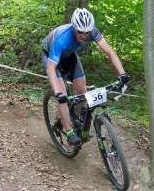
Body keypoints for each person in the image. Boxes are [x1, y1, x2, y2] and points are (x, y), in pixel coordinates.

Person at [41, 8, 129, 146]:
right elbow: (51, 68)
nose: (84, 35)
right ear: (74, 28)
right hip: (50, 56)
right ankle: (69, 131)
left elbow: (109, 52)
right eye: (80, 32)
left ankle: (78, 122)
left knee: (82, 91)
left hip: (69, 55)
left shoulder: (91, 31)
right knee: (62, 94)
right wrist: (58, 93)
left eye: (86, 32)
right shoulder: (62, 37)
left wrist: (122, 73)